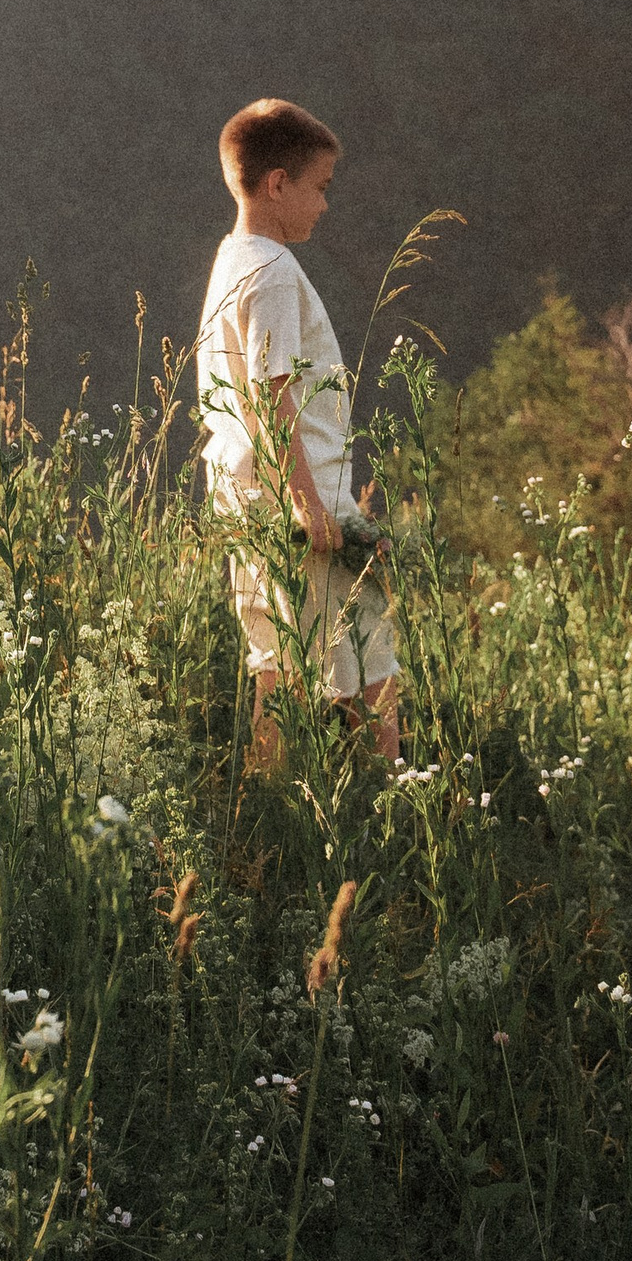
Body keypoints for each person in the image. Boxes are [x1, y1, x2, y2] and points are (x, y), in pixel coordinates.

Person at [194, 97, 398, 770]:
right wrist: (311, 504)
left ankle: (268, 804)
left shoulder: (232, 259)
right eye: (320, 186)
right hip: (300, 499)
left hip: (246, 497)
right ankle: (391, 797)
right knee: (369, 659)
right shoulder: (274, 270)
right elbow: (270, 392)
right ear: (278, 183)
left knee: (277, 662)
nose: (325, 204)